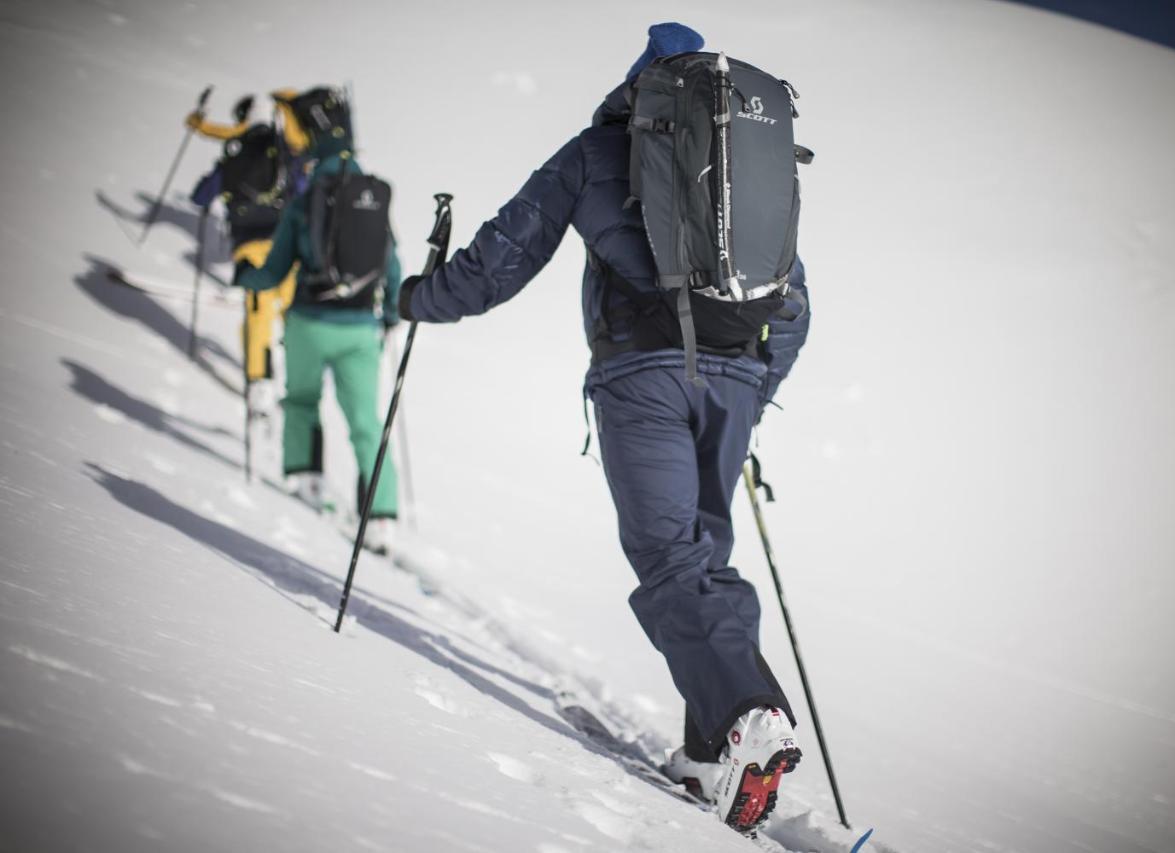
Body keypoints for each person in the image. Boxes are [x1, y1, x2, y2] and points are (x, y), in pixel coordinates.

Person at [399, 23, 811, 832]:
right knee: (705, 558)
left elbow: (498, 263)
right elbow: (792, 301)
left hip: (643, 381)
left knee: (669, 559)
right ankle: (707, 754)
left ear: (637, 85)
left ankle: (747, 713)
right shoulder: (737, 168)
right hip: (731, 383)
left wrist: (420, 298)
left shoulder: (593, 153)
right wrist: (752, 395)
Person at [237, 87, 403, 553]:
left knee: (303, 399)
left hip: (309, 321)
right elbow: (392, 266)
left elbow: (273, 271)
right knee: (366, 422)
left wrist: (247, 279)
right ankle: (381, 516)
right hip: (360, 331)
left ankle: (305, 479)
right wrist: (389, 313)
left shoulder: (306, 199)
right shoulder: (371, 196)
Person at [186, 94, 301, 412]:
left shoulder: (233, 158)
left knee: (258, 313)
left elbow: (200, 197)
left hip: (250, 249)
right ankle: (302, 371)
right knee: (292, 308)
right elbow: (303, 191)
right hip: (287, 246)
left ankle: (259, 380)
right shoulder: (286, 158)